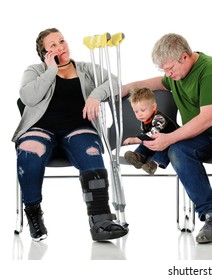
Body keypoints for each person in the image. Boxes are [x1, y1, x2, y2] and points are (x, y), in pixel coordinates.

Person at [122, 33, 212, 243]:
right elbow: (156, 82)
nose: (168, 74)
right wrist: (127, 88)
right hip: (204, 134)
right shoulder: (176, 75)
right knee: (178, 151)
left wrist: (169, 137)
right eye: (163, 69)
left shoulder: (211, 70)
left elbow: (208, 119)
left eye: (170, 68)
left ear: (184, 57)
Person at [12, 28, 128, 242]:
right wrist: (50, 70)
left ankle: (100, 220)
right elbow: (28, 96)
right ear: (44, 53)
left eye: (62, 41)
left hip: (78, 129)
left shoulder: (85, 68)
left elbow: (114, 83)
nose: (60, 46)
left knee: (92, 152)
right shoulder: (35, 70)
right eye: (53, 45)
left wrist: (95, 95)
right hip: (40, 129)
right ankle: (33, 212)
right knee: (28, 151)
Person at [122, 87, 179, 175]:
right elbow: (145, 136)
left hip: (170, 142)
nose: (139, 114)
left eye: (143, 110)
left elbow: (153, 134)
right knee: (144, 144)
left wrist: (136, 139)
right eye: (136, 111)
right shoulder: (144, 121)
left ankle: (153, 164)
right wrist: (142, 140)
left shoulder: (159, 118)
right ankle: (138, 156)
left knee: (164, 149)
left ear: (153, 106)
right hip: (155, 142)